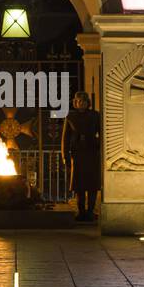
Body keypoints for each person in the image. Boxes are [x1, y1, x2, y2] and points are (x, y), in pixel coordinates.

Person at [61, 90, 101, 221]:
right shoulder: (70, 117)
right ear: (75, 103)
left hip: (92, 153)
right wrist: (65, 157)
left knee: (92, 185)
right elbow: (65, 139)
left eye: (83, 101)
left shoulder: (95, 116)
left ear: (87, 103)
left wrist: (99, 148)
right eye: (78, 101)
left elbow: (102, 135)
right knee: (79, 186)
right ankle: (81, 211)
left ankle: (90, 211)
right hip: (77, 154)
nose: (81, 103)